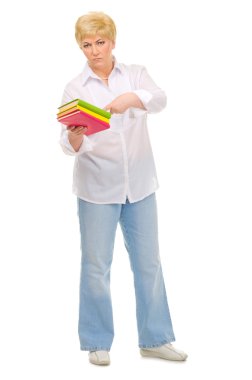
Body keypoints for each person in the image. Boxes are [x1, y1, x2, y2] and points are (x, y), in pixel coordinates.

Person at [59, 11, 187, 366]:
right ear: (80, 47)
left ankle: (155, 338)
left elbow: (159, 99)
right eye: (86, 44)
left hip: (141, 187)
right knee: (96, 266)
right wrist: (73, 138)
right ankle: (97, 341)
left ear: (112, 42)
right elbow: (67, 145)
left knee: (149, 264)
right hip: (97, 190)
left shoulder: (135, 74)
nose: (94, 51)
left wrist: (132, 98)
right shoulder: (76, 87)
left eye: (100, 42)